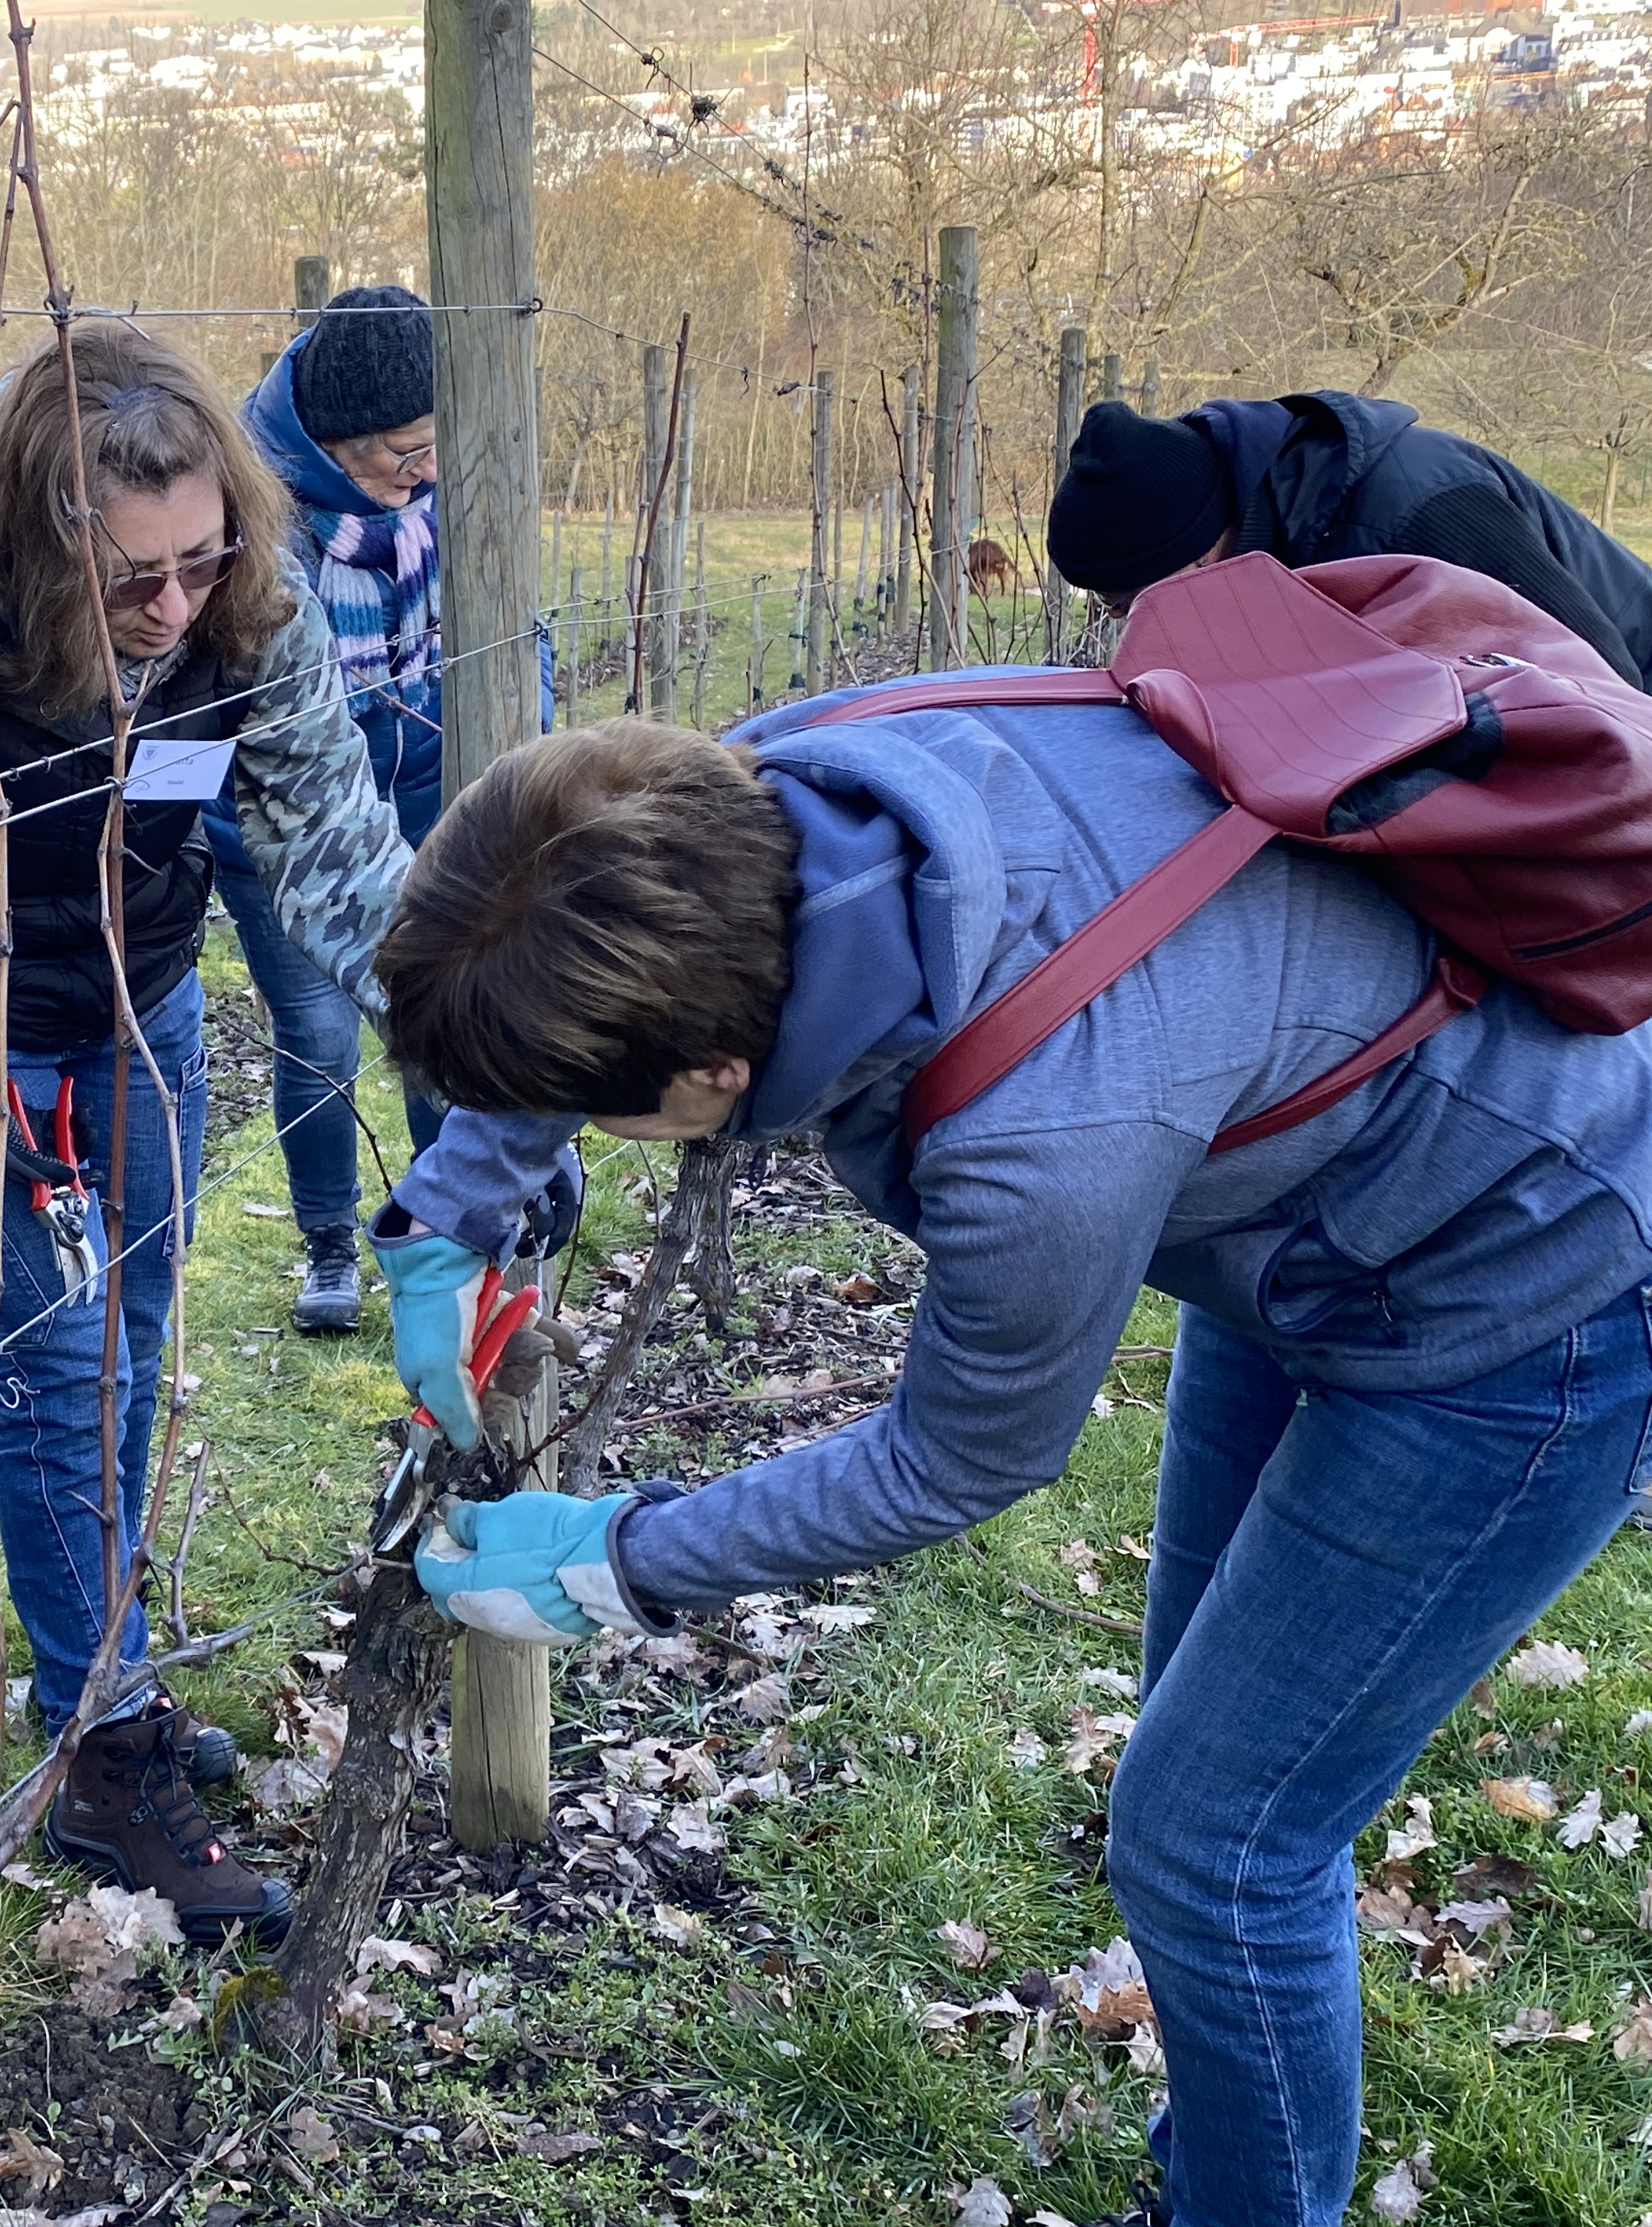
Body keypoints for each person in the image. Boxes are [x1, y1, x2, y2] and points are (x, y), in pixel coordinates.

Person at [365, 695, 1652, 2227]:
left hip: (1532, 1284)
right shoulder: (773, 798)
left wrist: (617, 1561)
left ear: (711, 1076)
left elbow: (960, 1456)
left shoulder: (1042, 1134)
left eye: (592, 1108)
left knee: (1218, 1841)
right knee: (1203, 1749)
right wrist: (450, 1214)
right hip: (1311, 1193)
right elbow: (564, 943)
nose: (573, 1122)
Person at [0, 322, 413, 1941]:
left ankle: (100, 1666)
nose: (176, 609)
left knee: (130, 1335)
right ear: (38, 543)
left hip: (144, 1004)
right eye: (133, 580)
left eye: (201, 563)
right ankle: (101, 1754)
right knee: (57, 1360)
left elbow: (335, 842)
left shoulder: (247, 593)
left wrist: (474, 1033)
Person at [207, 286, 443, 1334]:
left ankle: (451, 1219)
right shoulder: (247, 512)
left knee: (447, 1005)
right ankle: (330, 1246)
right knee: (318, 1034)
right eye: (406, 452)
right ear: (337, 439)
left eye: (434, 447)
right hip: (280, 822)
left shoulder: (443, 496)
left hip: (433, 791)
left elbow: (509, 627)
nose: (425, 472)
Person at [1048, 391, 1652, 686]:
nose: (1128, 625)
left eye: (1123, 605)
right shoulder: (1271, 538)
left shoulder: (1411, 515)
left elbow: (1602, 688)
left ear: (1195, 555)